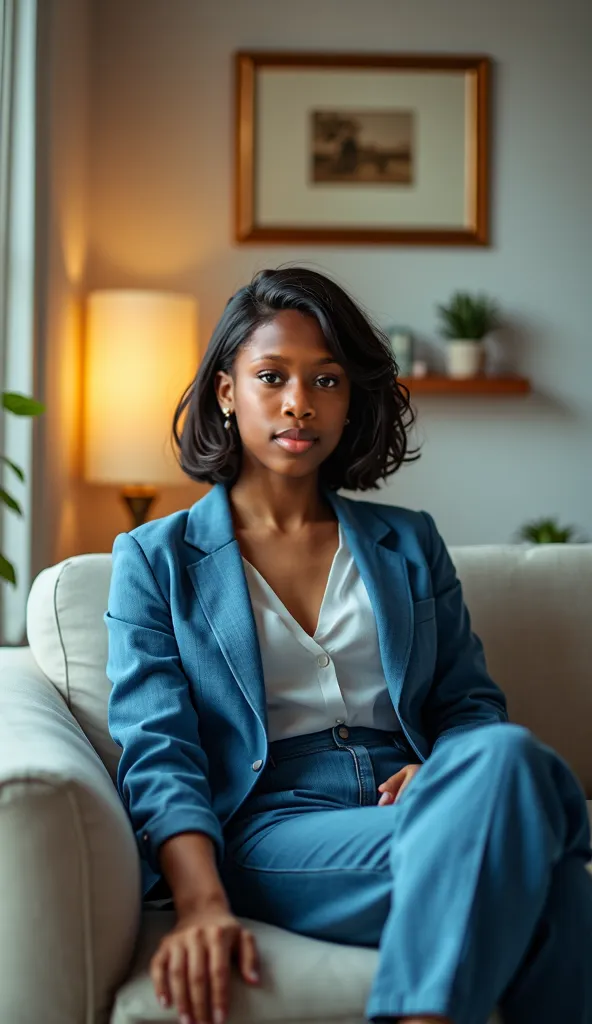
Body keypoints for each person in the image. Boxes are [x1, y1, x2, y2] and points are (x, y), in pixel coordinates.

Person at [105, 267, 592, 1024]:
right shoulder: (154, 561)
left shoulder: (409, 541)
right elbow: (159, 750)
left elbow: (467, 702)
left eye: (326, 380)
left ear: (350, 399)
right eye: (272, 377)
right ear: (227, 392)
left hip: (425, 800)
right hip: (277, 825)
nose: (300, 402)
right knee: (548, 860)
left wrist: (436, 766)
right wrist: (201, 902)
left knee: (506, 760)